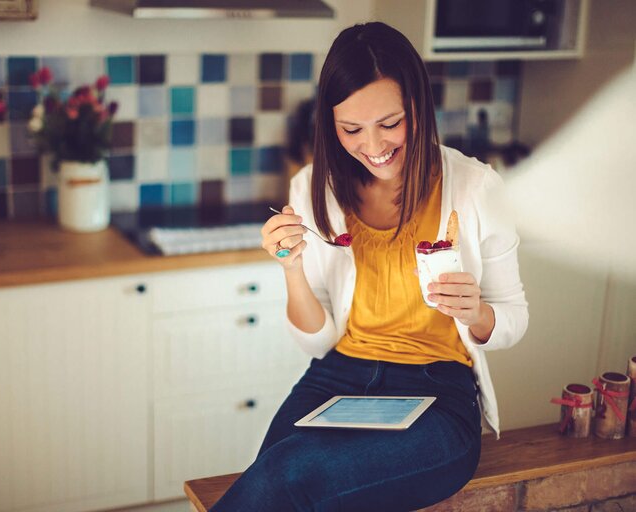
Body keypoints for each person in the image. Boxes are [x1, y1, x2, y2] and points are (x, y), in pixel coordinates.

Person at [210, 22, 528, 511]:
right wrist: (291, 267)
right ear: (330, 123)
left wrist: (478, 312)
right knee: (276, 467)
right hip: (339, 375)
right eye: (351, 129)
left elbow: (513, 318)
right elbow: (317, 341)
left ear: (418, 108)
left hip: (439, 390)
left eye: (390, 122)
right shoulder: (312, 187)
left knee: (287, 474)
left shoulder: (476, 187)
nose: (373, 145)